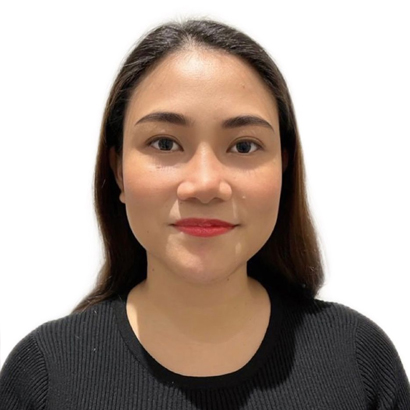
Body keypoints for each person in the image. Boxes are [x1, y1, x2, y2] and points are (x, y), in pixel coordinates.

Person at [0, 18, 409, 410]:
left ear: (285, 169)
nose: (205, 184)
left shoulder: (359, 362)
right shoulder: (44, 375)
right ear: (118, 170)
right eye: (165, 143)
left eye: (244, 146)